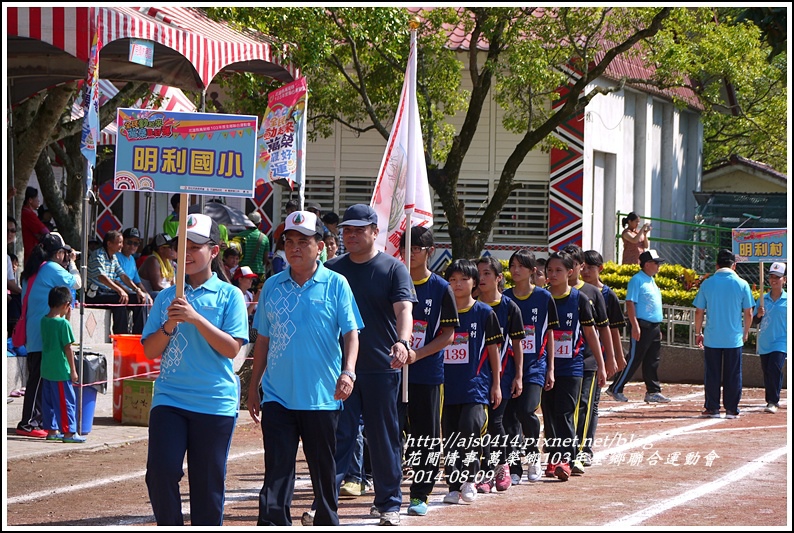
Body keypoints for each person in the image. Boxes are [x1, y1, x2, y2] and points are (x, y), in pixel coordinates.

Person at [248, 210, 362, 526]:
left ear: (320, 246)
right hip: (277, 396)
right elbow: (262, 341)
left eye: (303, 241)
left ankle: (327, 521)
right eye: (289, 241)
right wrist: (253, 385)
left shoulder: (337, 284)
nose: (295, 247)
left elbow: (351, 332)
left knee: (323, 473)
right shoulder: (271, 286)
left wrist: (348, 371)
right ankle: (272, 523)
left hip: (322, 397)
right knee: (277, 472)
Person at [306, 203, 415, 527]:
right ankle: (325, 503)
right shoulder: (332, 269)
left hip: (381, 369)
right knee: (337, 437)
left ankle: (389, 504)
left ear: (374, 232)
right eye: (346, 230)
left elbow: (404, 310)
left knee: (383, 438)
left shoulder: (393, 268)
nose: (351, 235)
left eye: (358, 230)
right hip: (339, 371)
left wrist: (403, 341)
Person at [141, 213, 249, 526]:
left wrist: (197, 318)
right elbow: (149, 350)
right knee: (160, 472)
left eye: (196, 246)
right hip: (170, 399)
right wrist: (170, 323)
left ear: (214, 251)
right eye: (181, 246)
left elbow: (232, 349)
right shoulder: (165, 297)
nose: (186, 253)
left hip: (214, 402)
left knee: (206, 486)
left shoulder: (230, 295)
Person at [398, 227, 458, 516]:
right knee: (388, 432)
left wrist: (417, 354)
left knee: (427, 436)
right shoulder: (392, 282)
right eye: (405, 246)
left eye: (417, 248)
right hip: (393, 373)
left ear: (430, 251)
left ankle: (420, 494)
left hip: (427, 374)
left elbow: (448, 334)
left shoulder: (440, 288)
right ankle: (385, 490)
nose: (409, 253)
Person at [441, 259, 502, 505]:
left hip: (476, 387)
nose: (457, 284)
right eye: (452, 280)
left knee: (470, 430)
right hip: (446, 387)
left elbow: (494, 350)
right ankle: (454, 485)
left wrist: (496, 383)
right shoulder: (441, 312)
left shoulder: (485, 313)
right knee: (451, 438)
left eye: (463, 280)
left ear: (474, 283)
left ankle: (470, 479)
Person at [540, 251, 600, 481]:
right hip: (545, 366)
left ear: (570, 272)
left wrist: (602, 365)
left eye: (558, 270)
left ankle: (566, 458)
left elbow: (590, 334)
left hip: (572, 367)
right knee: (550, 413)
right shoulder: (542, 298)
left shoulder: (580, 299)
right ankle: (554, 456)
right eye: (550, 270)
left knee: (565, 412)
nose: (553, 274)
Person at [16, 232, 81, 438]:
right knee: (38, 378)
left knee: (41, 377)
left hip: (36, 328)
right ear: (59, 253)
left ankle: (40, 421)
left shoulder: (33, 269)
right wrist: (72, 264)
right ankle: (27, 423)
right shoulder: (52, 268)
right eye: (64, 252)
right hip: (44, 330)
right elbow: (76, 283)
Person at [503, 249, 558, 484]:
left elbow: (551, 334)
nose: (515, 270)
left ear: (532, 270)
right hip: (508, 367)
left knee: (526, 410)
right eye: (513, 265)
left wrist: (551, 368)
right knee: (509, 417)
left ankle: (533, 455)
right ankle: (514, 465)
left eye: (521, 266)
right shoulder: (505, 298)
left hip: (535, 366)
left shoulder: (544, 299)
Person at [560, 243, 613, 476]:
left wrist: (609, 359)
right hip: (560, 363)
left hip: (587, 361)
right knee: (561, 409)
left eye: (573, 265)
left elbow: (603, 329)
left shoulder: (592, 294)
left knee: (584, 406)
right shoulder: (550, 293)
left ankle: (580, 453)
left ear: (579, 267)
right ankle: (561, 453)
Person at [475, 256, 524, 494]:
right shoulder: (470, 304)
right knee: (479, 425)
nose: (481, 278)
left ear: (498, 277)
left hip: (502, 376)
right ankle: (485, 469)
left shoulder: (509, 307)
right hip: (474, 376)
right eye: (479, 274)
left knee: (495, 422)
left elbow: (517, 344)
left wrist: (519, 376)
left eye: (487, 273)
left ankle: (499, 466)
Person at [578, 249, 627, 466]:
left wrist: (615, 356)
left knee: (591, 403)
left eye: (591, 267)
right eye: (584, 267)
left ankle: (585, 447)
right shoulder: (573, 292)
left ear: (600, 269)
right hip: (574, 355)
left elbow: (612, 329)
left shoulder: (607, 295)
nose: (586, 271)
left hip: (596, 357)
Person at [693, 249, 754, 419]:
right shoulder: (742, 284)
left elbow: (699, 311)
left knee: (712, 373)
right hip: (733, 338)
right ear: (734, 265)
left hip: (712, 337)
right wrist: (745, 332)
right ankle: (731, 409)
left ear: (717, 265)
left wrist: (698, 332)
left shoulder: (707, 283)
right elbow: (748, 312)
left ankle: (712, 408)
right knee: (733, 374)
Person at [606, 249, 668, 405]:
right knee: (634, 359)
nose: (658, 267)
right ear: (647, 264)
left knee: (652, 360)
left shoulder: (651, 280)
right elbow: (630, 303)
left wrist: (657, 327)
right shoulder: (637, 280)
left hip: (653, 326)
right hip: (642, 325)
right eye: (656, 263)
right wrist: (635, 326)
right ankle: (616, 388)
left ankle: (653, 391)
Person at [40, 285, 85, 443]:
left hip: (46, 369)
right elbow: (68, 348)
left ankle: (52, 430)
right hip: (60, 370)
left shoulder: (44, 320)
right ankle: (69, 433)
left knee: (49, 402)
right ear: (66, 305)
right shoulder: (63, 325)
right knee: (66, 402)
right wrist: (73, 370)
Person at [85, 230, 148, 335]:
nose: (121, 246)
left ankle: (139, 335)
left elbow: (122, 275)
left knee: (139, 300)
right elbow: (102, 277)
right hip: (95, 293)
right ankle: (121, 336)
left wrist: (137, 290)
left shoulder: (113, 257)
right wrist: (120, 290)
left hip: (107, 292)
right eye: (119, 243)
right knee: (120, 300)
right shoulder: (98, 255)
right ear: (109, 243)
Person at [754, 262, 787, 414]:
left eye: (778, 277)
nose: (774, 280)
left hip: (782, 341)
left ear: (784, 280)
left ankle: (772, 401)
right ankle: (773, 398)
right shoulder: (762, 300)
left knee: (775, 367)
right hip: (765, 342)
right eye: (771, 277)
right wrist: (759, 315)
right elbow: (755, 320)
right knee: (768, 371)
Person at [116, 227, 152, 305]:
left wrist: (147, 294)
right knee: (138, 298)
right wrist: (132, 292)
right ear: (122, 242)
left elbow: (138, 282)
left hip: (132, 291)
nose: (132, 246)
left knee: (149, 296)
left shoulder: (132, 259)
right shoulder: (116, 256)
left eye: (136, 244)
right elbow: (116, 281)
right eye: (129, 242)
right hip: (120, 292)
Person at [138, 233, 176, 298]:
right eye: (170, 247)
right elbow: (156, 287)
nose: (174, 249)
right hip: (151, 297)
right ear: (161, 249)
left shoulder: (169, 262)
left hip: (166, 295)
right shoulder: (153, 260)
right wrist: (173, 294)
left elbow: (173, 285)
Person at [21, 186, 50, 264]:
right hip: (30, 252)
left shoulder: (25, 212)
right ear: (30, 200)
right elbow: (44, 231)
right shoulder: (28, 214)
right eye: (36, 198)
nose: (38, 200)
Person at [236, 212, 270, 277]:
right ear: (260, 224)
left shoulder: (239, 236)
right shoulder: (264, 238)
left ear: (247, 223)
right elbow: (265, 259)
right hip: (259, 272)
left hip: (243, 272)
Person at [7, 217, 23, 336]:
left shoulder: (7, 258)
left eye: (12, 231)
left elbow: (11, 282)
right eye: (6, 230)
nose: (9, 234)